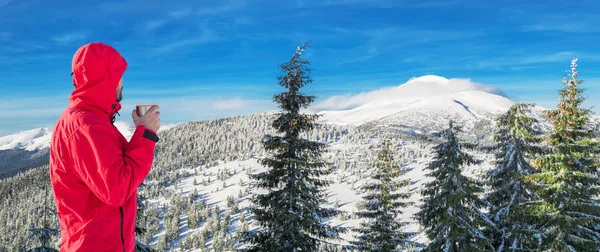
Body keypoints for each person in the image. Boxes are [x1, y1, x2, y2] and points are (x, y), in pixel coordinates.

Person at [49, 42, 161, 251]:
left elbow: (118, 170)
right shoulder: (86, 125)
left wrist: (142, 131)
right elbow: (117, 189)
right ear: (104, 78)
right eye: (118, 75)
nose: (122, 82)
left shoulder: (93, 121)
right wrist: (146, 134)